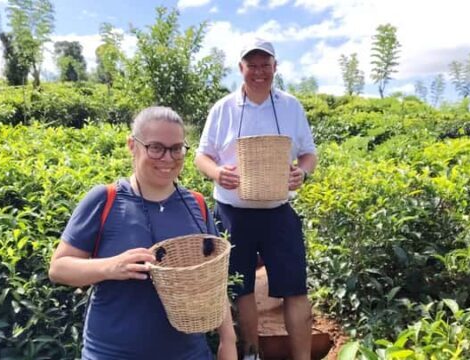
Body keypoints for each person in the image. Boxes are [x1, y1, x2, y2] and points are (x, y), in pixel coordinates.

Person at [49, 106, 237, 360]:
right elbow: (59, 268)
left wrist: (228, 340)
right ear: (132, 145)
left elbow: (212, 282)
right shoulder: (106, 200)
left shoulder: (197, 205)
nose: (168, 158)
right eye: (156, 148)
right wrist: (110, 267)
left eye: (176, 148)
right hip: (112, 353)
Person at [194, 38, 318, 360]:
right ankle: (251, 354)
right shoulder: (223, 108)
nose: (259, 71)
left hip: (278, 210)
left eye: (266, 64)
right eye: (252, 65)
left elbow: (309, 154)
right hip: (233, 211)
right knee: (242, 287)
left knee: (294, 287)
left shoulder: (291, 106)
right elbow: (201, 156)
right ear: (241, 68)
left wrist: (302, 173)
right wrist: (218, 173)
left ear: (275, 67)